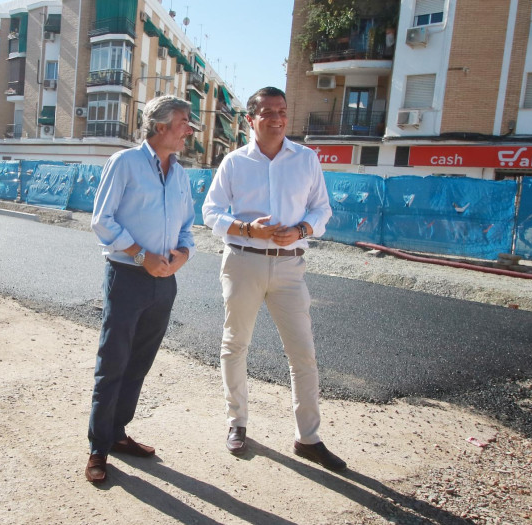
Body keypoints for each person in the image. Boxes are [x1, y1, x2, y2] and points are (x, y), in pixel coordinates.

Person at [201, 86, 346, 472]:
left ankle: (308, 438)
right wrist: (248, 229)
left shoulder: (306, 159)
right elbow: (210, 212)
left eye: (282, 111)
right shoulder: (233, 162)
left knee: (303, 353)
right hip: (243, 261)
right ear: (251, 119)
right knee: (235, 345)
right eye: (267, 112)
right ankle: (237, 423)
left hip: (290, 267)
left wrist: (301, 230)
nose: (277, 118)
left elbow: (322, 209)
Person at [85, 95, 196, 484]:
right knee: (113, 362)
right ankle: (98, 449)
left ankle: (117, 434)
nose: (190, 129)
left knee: (139, 363)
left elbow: (187, 225)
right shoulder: (125, 163)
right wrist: (140, 254)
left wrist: (182, 253)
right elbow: (102, 219)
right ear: (161, 125)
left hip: (165, 281)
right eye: (184, 121)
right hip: (127, 277)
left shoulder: (180, 174)